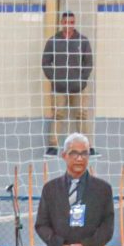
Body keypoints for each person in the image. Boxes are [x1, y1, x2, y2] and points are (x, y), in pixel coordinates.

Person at [41, 11, 93, 154]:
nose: (68, 25)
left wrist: (81, 81)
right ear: (61, 22)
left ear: (74, 23)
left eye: (71, 22)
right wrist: (55, 78)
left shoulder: (82, 41)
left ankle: (87, 147)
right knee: (57, 115)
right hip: (59, 87)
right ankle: (52, 146)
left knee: (81, 115)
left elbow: (88, 63)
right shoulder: (53, 41)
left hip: (78, 88)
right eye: (65, 22)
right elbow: (45, 62)